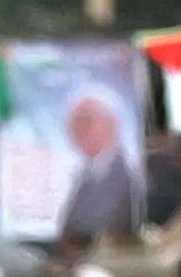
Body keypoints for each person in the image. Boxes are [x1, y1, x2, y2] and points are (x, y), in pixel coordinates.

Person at [59, 87, 139, 239]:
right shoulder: (84, 177)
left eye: (84, 121)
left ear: (110, 124)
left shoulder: (129, 177)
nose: (76, 130)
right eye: (72, 123)